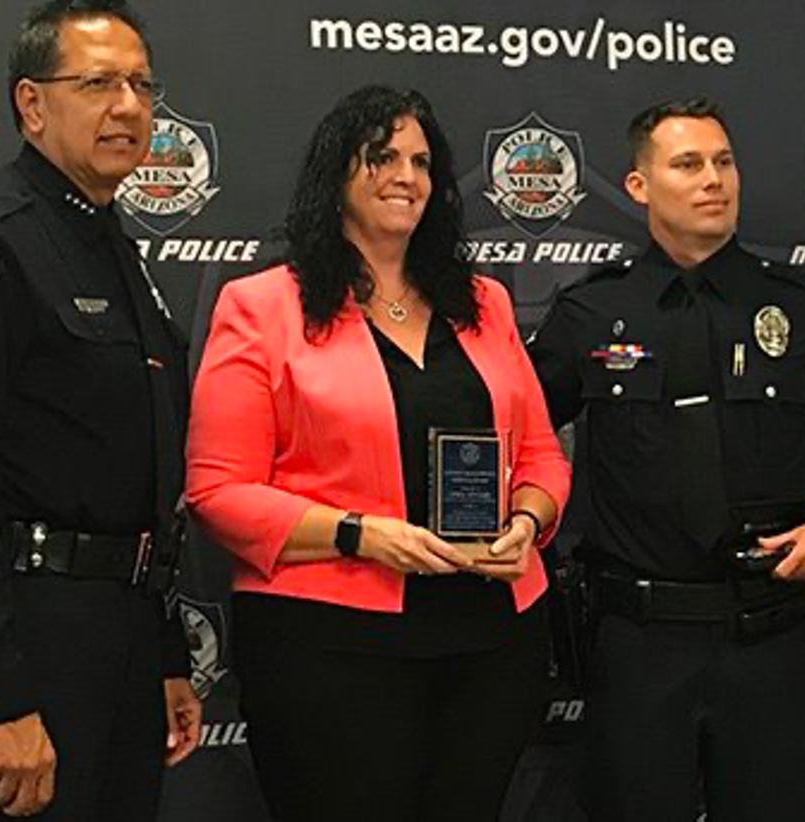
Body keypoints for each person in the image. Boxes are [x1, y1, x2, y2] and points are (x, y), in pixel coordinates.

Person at [185, 84, 570, 822]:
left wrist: (527, 522)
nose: (407, 176)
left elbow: (545, 457)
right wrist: (362, 535)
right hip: (329, 651)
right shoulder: (263, 306)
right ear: (338, 172)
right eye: (383, 156)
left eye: (423, 162)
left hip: (489, 642)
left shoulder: (483, 303)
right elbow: (219, 492)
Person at [527, 97, 805, 822]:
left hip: (772, 636)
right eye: (688, 164)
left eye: (723, 162)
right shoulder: (590, 314)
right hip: (637, 642)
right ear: (639, 187)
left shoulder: (803, 310)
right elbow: (519, 439)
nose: (713, 180)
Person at [0, 1, 202, 819]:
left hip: (120, 635)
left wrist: (163, 655)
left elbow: (139, 473)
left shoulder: (118, 249)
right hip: (28, 636)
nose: (128, 106)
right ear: (31, 103)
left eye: (140, 85)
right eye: (96, 83)